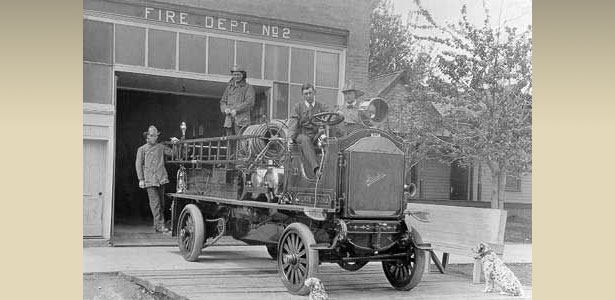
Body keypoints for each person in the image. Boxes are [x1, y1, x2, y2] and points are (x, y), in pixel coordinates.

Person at [135, 125, 179, 234]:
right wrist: (141, 179)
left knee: (162, 203)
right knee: (155, 203)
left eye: (156, 136)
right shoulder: (142, 149)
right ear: (147, 137)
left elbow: (173, 154)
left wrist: (175, 144)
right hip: (149, 180)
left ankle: (157, 225)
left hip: (160, 179)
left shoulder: (161, 147)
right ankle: (160, 226)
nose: (154, 138)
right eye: (152, 136)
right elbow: (138, 165)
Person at [288, 83, 330, 176]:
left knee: (327, 141)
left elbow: (328, 116)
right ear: (302, 95)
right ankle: (316, 169)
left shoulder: (321, 106)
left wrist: (324, 126)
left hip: (316, 135)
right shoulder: (297, 107)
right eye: (306, 94)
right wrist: (290, 138)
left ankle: (328, 170)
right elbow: (293, 123)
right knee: (305, 139)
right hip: (301, 135)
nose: (308, 96)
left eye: (310, 93)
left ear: (314, 92)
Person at [220, 64, 256, 136]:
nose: (236, 76)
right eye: (234, 74)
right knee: (229, 141)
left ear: (243, 75)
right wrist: (225, 109)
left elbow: (249, 102)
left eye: (238, 74)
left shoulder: (248, 87)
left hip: (242, 121)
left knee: (241, 142)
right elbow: (223, 101)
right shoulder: (229, 88)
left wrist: (236, 110)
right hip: (229, 121)